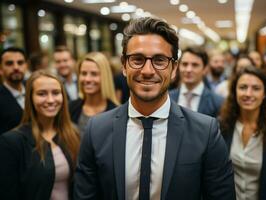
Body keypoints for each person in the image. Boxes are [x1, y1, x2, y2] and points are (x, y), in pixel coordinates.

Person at [73, 17, 235, 200]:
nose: (148, 71)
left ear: (174, 69)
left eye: (159, 60)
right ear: (124, 66)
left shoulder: (205, 132)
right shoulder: (97, 130)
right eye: (137, 59)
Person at [0, 70, 80, 200]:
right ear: (30, 98)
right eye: (42, 94)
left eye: (56, 93)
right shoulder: (12, 142)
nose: (50, 100)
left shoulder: (73, 134)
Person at [220, 66, 266, 200]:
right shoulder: (222, 127)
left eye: (256, 88)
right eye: (242, 87)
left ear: (265, 94)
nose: (248, 93)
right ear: (234, 91)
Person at [69, 52, 119, 136]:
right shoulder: (71, 108)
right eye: (84, 73)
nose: (87, 79)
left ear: (105, 77)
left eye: (94, 74)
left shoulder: (117, 114)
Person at [169, 47, 224, 117]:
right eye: (185, 64)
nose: (188, 70)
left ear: (205, 69)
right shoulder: (167, 98)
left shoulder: (217, 102)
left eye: (195, 65)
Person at [0, 47, 27, 134]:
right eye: (9, 63)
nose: (16, 67)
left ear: (26, 66)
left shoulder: (36, 89)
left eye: (20, 63)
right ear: (0, 69)